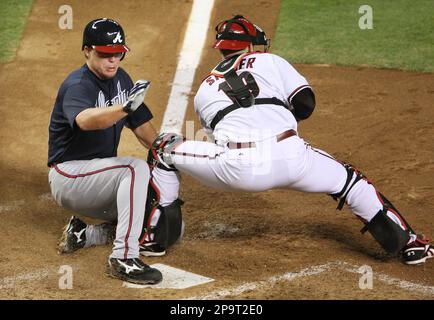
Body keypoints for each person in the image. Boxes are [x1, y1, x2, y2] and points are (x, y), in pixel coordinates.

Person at [148, 15, 433, 265]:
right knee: (351, 183)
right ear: (249, 46)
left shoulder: (203, 92)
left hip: (240, 170)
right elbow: (306, 104)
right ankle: (410, 245)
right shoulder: (271, 60)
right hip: (295, 158)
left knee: (164, 147)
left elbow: (218, 139)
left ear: (222, 48)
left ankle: (157, 239)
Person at [48, 18, 170, 285]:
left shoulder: (121, 79)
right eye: (105, 54)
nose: (112, 60)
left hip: (99, 179)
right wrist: (124, 108)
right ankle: (123, 258)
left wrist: (168, 150)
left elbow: (143, 129)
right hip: (69, 177)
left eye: (118, 54)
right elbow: (87, 120)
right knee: (133, 168)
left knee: (159, 222)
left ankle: (83, 234)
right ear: (87, 51)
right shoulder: (78, 84)